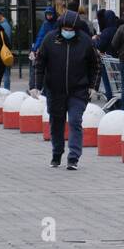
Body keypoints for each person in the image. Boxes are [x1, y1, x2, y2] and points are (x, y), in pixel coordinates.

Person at [34, 10, 99, 170]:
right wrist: (36, 85)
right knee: (56, 122)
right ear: (60, 27)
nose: (68, 32)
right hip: (55, 90)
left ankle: (73, 157)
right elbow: (40, 63)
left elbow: (95, 65)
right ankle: (57, 153)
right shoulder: (50, 39)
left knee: (75, 120)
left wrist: (93, 86)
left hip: (78, 90)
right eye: (65, 29)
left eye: (71, 29)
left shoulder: (85, 42)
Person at [0, 8, 14, 88]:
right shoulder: (4, 25)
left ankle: (6, 91)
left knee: (5, 74)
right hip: (4, 52)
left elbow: (6, 40)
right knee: (6, 74)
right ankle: (6, 90)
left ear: (0, 16)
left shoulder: (4, 26)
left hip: (4, 53)